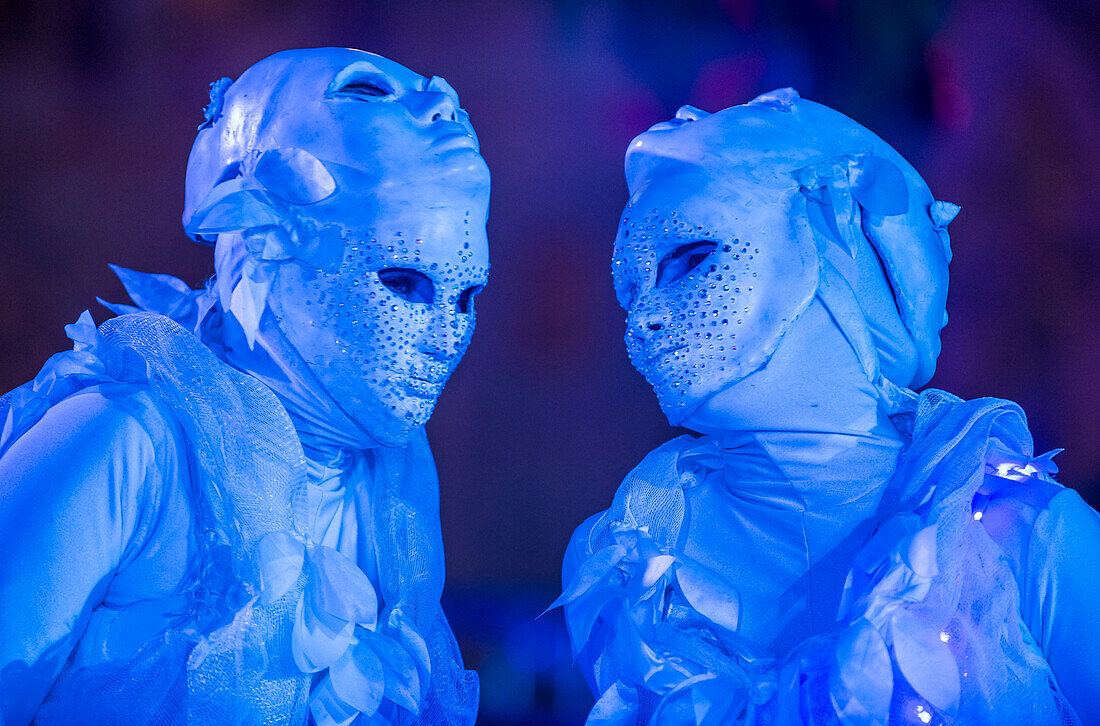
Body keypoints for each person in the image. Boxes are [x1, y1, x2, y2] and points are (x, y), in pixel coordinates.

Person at [554, 89, 1100, 725]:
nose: (643, 318)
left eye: (689, 257)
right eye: (629, 287)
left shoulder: (1026, 539)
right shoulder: (624, 578)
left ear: (840, 238)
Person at [0, 47, 488, 726]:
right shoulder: (125, 443)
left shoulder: (390, 482)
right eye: (404, 282)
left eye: (467, 297)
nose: (444, 335)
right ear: (260, 244)